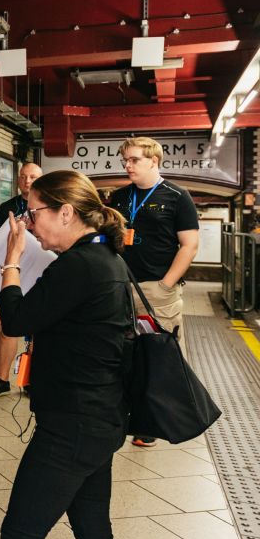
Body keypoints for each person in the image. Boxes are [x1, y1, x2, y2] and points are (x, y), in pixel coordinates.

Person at [0, 170, 131, 539]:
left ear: (66, 212)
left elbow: (15, 320)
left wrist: (12, 260)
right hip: (99, 417)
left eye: (34, 214)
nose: (31, 224)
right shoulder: (105, 258)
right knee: (95, 535)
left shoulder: (78, 266)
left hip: (71, 426)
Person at [110, 137, 199, 447]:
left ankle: (156, 420)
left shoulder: (177, 196)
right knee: (122, 352)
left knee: (160, 355)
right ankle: (123, 412)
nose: (127, 165)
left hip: (156, 290)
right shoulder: (119, 197)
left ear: (153, 161)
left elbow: (189, 245)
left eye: (134, 160)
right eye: (125, 160)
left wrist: (166, 285)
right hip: (119, 286)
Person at [0, 162, 43, 400]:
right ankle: (2, 379)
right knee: (9, 327)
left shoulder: (50, 204)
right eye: (23, 176)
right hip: (14, 272)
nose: (27, 181)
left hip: (41, 273)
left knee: (38, 329)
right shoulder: (7, 207)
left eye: (32, 177)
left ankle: (31, 379)